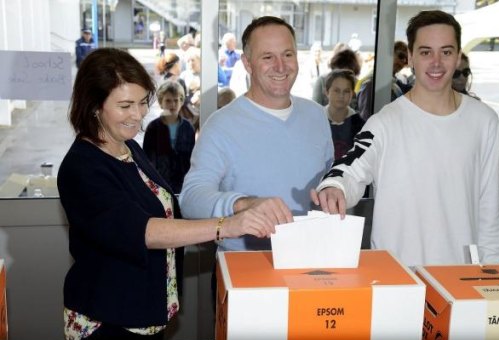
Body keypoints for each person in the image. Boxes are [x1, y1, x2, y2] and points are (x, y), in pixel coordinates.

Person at [57, 48, 275, 340]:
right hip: (109, 319)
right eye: (125, 105)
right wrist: (228, 224)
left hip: (142, 309)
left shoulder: (128, 147)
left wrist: (242, 202)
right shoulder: (83, 167)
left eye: (143, 101)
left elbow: (163, 206)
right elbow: (143, 229)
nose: (138, 114)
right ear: (94, 106)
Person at [310, 10, 499, 267]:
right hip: (398, 279)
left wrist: (491, 272)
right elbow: (350, 167)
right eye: (426, 52)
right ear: (411, 57)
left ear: (458, 56)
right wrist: (335, 187)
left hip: (460, 279)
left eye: (446, 52)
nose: (436, 62)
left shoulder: (484, 120)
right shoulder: (384, 123)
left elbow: (490, 206)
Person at [180, 16, 334, 252]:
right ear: (247, 63)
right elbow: (191, 199)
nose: (281, 66)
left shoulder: (316, 115)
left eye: (287, 54)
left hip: (311, 258)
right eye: (267, 57)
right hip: (244, 269)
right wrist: (244, 204)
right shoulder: (221, 125)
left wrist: (336, 188)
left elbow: (329, 178)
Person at [143, 81, 195, 194]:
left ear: (181, 102)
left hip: (183, 184)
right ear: (161, 102)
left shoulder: (188, 128)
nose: (172, 104)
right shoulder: (153, 128)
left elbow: (192, 157)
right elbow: (147, 159)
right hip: (159, 184)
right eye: (168, 100)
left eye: (176, 100)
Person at [356, 41, 411, 120]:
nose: (402, 62)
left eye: (406, 61)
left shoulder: (395, 83)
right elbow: (366, 118)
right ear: (388, 55)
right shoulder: (371, 83)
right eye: (401, 56)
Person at [324, 69, 365, 160]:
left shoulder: (360, 125)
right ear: (327, 92)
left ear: (352, 94)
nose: (341, 95)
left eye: (346, 91)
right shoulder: (316, 121)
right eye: (336, 90)